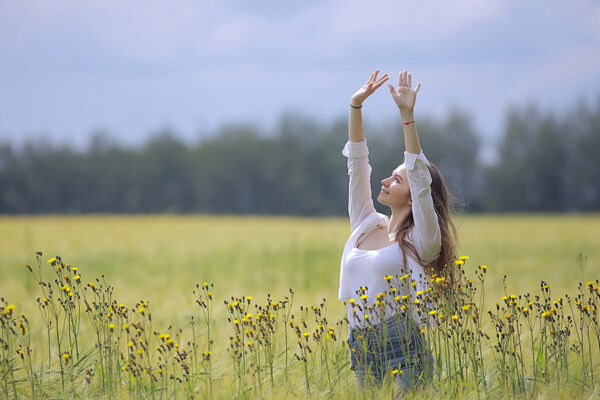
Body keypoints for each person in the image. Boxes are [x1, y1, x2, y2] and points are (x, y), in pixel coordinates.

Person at [338, 69, 458, 392]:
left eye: (396, 179)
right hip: (360, 346)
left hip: (401, 347)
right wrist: (355, 107)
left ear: (412, 195)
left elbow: (420, 181)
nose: (385, 181)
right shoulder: (365, 224)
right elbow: (357, 167)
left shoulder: (421, 240)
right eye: (390, 175)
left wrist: (407, 117)